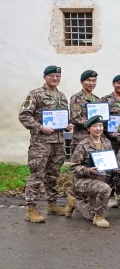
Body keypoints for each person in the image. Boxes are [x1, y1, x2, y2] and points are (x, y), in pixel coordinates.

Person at [18, 65, 74, 223]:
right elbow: (24, 115)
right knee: (37, 175)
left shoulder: (62, 96)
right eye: (52, 76)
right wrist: (40, 127)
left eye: (58, 76)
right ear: (45, 77)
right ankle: (31, 209)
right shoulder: (35, 94)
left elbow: (62, 118)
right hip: (41, 143)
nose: (55, 79)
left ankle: (52, 204)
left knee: (53, 175)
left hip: (58, 142)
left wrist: (67, 125)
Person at [65, 115, 112, 228]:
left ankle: (74, 202)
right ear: (88, 129)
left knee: (91, 211)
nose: (98, 128)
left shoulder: (107, 143)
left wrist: (113, 166)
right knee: (105, 189)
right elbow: (73, 167)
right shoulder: (83, 145)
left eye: (100, 125)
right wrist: (88, 170)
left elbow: (108, 160)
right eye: (95, 126)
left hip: (100, 180)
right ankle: (99, 217)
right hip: (83, 181)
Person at [100, 74, 120, 208]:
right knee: (109, 169)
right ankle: (110, 195)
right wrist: (108, 132)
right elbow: (100, 119)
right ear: (113, 84)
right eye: (119, 83)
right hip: (109, 140)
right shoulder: (105, 100)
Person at [70, 70, 100, 154]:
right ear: (82, 82)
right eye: (88, 80)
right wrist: (92, 124)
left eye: (94, 81)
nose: (91, 83)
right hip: (81, 138)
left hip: (96, 138)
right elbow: (75, 118)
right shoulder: (76, 98)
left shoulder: (97, 99)